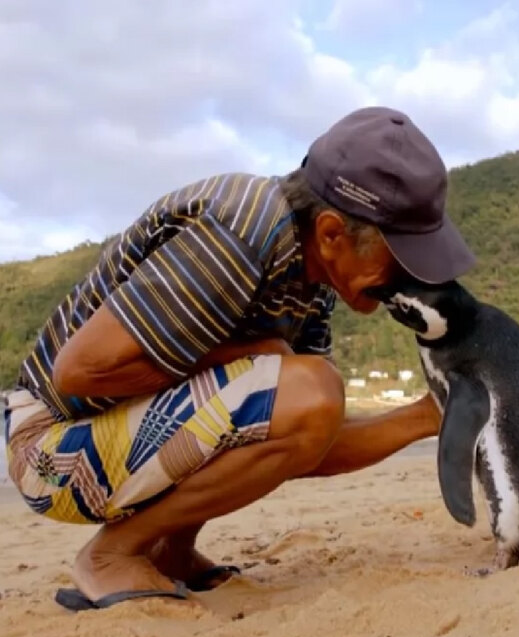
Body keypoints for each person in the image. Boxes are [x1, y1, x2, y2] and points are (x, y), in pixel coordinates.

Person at [4, 106, 476, 611]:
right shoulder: (241, 229)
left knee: (310, 392)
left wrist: (429, 414)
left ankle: (172, 550)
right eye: (402, 256)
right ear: (333, 233)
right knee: (309, 388)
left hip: (107, 441)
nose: (412, 277)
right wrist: (249, 353)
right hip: (51, 452)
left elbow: (302, 437)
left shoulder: (310, 282)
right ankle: (112, 554)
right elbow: (78, 373)